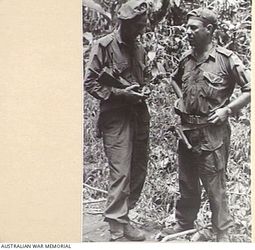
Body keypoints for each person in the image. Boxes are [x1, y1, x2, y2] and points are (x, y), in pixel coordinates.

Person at [162, 7, 251, 242]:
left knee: (214, 183)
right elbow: (173, 78)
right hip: (187, 131)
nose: (187, 32)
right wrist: (180, 98)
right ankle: (184, 222)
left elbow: (251, 89)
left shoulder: (226, 59)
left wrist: (227, 110)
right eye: (187, 27)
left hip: (212, 133)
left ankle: (222, 231)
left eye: (193, 28)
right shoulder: (186, 59)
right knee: (187, 181)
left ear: (209, 30)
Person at [84, 0, 150, 241]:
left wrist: (142, 90)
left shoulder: (139, 48)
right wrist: (121, 93)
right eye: (139, 25)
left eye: (144, 25)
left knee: (138, 167)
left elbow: (144, 77)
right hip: (115, 115)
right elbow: (90, 82)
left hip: (138, 114)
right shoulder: (103, 46)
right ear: (125, 24)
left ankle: (125, 215)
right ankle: (115, 222)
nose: (142, 30)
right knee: (121, 169)